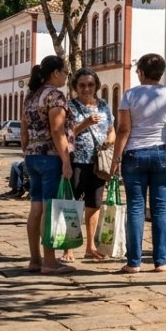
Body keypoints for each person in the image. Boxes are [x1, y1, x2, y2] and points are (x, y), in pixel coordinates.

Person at [110, 53, 166, 274]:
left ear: (141, 73)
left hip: (134, 155)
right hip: (162, 154)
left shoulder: (130, 95)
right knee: (160, 209)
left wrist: (116, 159)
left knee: (135, 208)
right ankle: (161, 261)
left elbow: (123, 130)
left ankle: (133, 263)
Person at [21, 54, 75, 275]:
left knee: (36, 209)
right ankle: (50, 261)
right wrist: (66, 160)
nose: (66, 77)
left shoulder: (31, 96)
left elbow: (24, 131)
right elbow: (57, 130)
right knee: (49, 208)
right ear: (55, 73)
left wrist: (27, 150)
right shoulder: (54, 96)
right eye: (65, 72)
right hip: (51, 157)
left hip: (32, 155)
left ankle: (35, 259)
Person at [67, 67, 116, 261]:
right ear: (75, 87)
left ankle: (90, 246)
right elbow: (66, 133)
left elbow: (111, 129)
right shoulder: (70, 106)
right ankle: (68, 247)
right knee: (73, 205)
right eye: (82, 85)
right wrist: (85, 123)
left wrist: (110, 141)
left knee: (94, 204)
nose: (86, 88)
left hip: (98, 163)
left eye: (90, 85)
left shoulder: (103, 105)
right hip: (77, 162)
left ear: (96, 86)